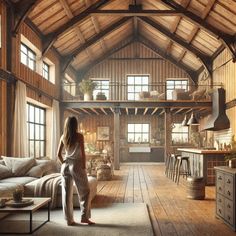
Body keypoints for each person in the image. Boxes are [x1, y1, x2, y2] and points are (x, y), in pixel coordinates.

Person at [57, 116, 95, 226]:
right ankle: (84, 217)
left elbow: (58, 154)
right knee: (85, 191)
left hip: (65, 166)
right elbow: (83, 153)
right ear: (75, 125)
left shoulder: (63, 137)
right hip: (77, 165)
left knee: (66, 193)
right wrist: (84, 167)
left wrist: (63, 162)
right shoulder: (79, 136)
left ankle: (69, 220)